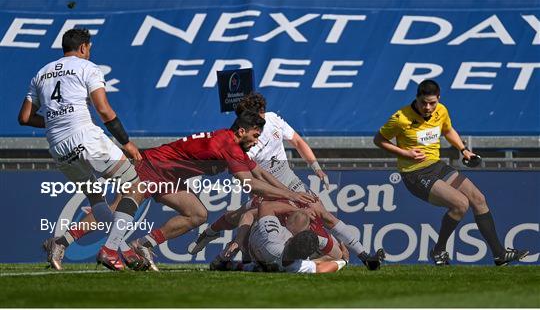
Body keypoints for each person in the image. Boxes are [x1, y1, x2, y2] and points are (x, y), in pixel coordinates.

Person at [48, 110, 317, 271]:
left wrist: (292, 192)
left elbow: (260, 173)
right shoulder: (229, 145)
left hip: (170, 176)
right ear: (243, 130)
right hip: (151, 165)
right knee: (115, 209)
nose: (256, 141)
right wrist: (291, 195)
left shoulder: (233, 145)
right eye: (255, 136)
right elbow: (250, 182)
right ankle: (60, 243)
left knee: (197, 213)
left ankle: (141, 245)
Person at [189, 93, 384, 270]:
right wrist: (276, 194)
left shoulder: (272, 119)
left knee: (322, 213)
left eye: (258, 117)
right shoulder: (246, 138)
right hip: (265, 186)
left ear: (263, 112)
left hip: (289, 179)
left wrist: (316, 168)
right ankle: (213, 236)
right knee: (244, 215)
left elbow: (298, 142)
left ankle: (365, 256)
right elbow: (252, 174)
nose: (256, 123)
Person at [18, 28, 147, 271]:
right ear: (84, 47)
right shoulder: (87, 67)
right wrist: (126, 143)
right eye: (89, 49)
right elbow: (104, 110)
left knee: (97, 200)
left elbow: (24, 117)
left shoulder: (41, 73)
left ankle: (60, 243)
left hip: (58, 145)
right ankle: (111, 250)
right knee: (135, 186)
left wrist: (56, 121)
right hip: (85, 138)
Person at [373, 79, 528, 266]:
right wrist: (404, 152)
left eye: (432, 102)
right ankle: (439, 251)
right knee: (460, 204)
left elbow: (447, 130)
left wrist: (464, 150)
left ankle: (499, 254)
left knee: (478, 199)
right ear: (417, 98)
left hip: (437, 166)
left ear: (438, 98)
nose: (428, 107)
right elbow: (379, 140)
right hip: (415, 173)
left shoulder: (442, 111)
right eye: (424, 103)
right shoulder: (400, 118)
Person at [210, 200, 350, 273]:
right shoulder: (296, 266)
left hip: (257, 250)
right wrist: (344, 261)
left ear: (292, 239)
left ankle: (224, 259)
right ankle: (231, 261)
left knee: (250, 218)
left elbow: (264, 207)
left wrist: (299, 210)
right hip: (261, 259)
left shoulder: (272, 237)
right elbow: (321, 269)